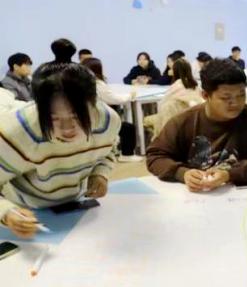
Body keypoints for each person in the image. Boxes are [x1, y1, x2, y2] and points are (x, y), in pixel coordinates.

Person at [0, 64, 118, 239]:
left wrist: (100, 173)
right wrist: (7, 212)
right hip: (28, 211)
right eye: (53, 118)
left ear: (95, 103)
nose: (67, 128)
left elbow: (110, 148)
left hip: (75, 206)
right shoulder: (17, 132)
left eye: (76, 116)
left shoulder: (108, 121)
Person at [146, 58, 247, 191]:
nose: (235, 103)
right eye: (226, 98)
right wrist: (181, 173)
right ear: (205, 95)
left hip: (243, 197)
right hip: (194, 196)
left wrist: (230, 174)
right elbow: (155, 156)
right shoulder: (183, 122)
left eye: (241, 95)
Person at [80, 57, 138, 155]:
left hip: (86, 119)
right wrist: (130, 96)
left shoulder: (80, 83)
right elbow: (114, 99)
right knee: (128, 128)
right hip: (97, 120)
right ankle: (128, 155)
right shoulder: (97, 84)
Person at [145, 58, 204, 138]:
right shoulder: (196, 87)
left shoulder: (175, 87)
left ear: (175, 72)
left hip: (173, 123)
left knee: (145, 120)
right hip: (192, 124)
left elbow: (162, 107)